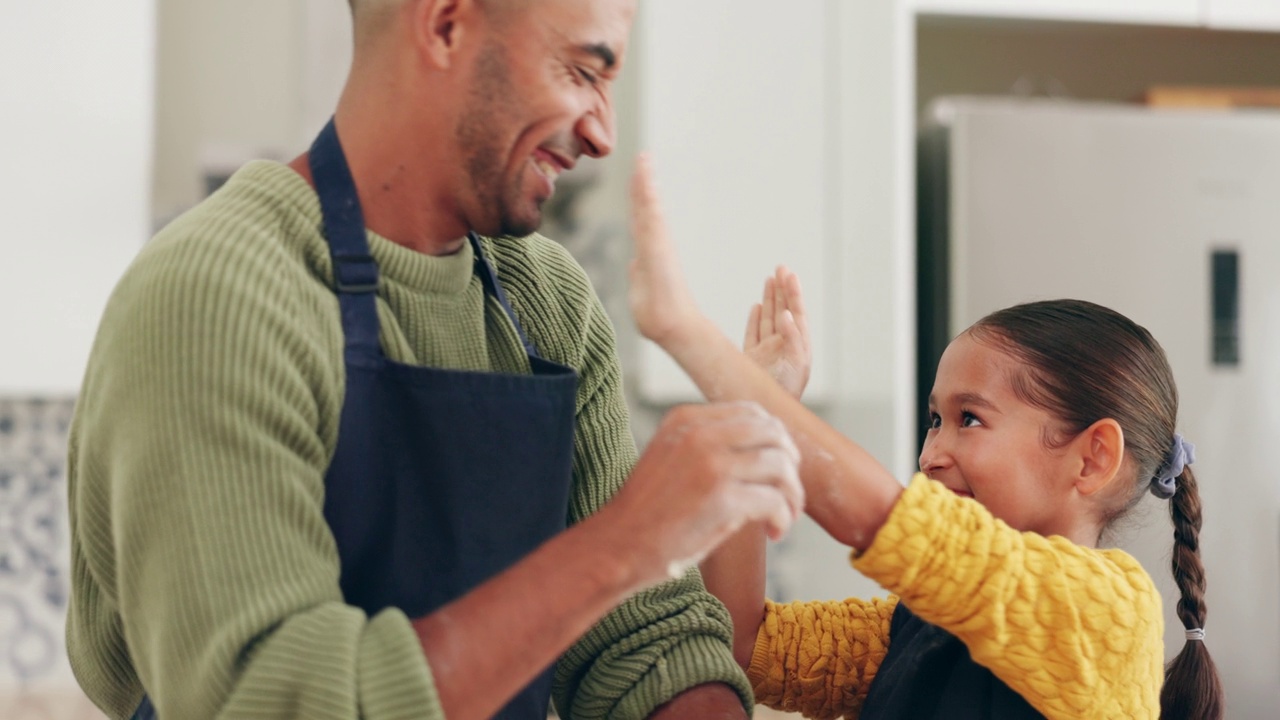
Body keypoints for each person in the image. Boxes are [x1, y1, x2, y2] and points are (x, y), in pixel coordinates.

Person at [64, 2, 807, 719]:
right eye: (583, 71)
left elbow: (645, 647)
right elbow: (269, 701)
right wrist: (629, 542)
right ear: (447, 24)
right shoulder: (217, 295)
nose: (604, 132)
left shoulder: (545, 302)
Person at [627, 156, 1225, 719]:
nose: (930, 455)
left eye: (970, 419)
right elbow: (746, 645)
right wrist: (752, 412)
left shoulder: (1107, 613)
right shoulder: (916, 627)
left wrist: (693, 340)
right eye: (934, 419)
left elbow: (886, 519)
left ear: (1092, 458)